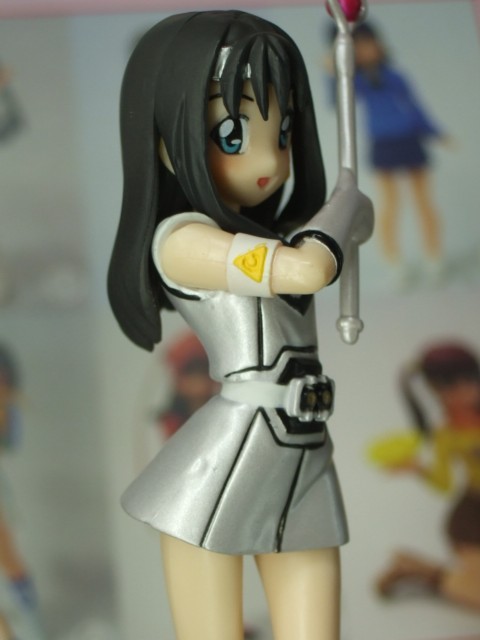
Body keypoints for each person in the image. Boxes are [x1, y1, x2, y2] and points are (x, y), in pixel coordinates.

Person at [108, 11, 371, 640]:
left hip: (304, 450)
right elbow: (307, 267)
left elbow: (308, 256)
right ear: (167, 137)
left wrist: (344, 217)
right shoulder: (182, 241)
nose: (268, 162)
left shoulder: (275, 234)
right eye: (232, 134)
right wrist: (344, 208)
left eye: (283, 134)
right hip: (222, 466)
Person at [376, 342, 480, 611]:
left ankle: (417, 568)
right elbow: (445, 484)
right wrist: (418, 469)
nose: (466, 389)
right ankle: (421, 572)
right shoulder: (447, 435)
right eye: (452, 385)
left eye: (470, 379)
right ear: (435, 389)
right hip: (472, 519)